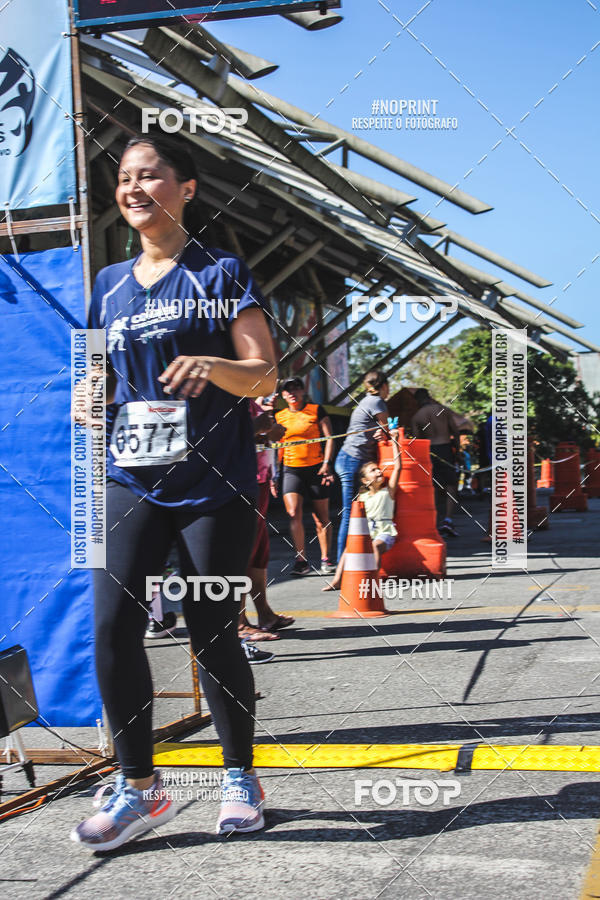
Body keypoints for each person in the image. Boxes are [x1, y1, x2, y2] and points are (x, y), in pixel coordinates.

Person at [71, 134, 278, 851]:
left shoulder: (219, 272)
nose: (134, 188)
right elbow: (93, 370)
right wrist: (87, 396)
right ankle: (138, 787)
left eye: (150, 176)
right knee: (110, 628)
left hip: (212, 486)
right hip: (131, 478)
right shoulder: (106, 284)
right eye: (125, 178)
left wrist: (212, 363)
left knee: (212, 633)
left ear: (186, 188)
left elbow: (264, 376)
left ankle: (241, 778)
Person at [238, 398, 295, 643]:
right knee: (241, 552)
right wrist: (265, 430)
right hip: (240, 481)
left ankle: (265, 614)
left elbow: (257, 439)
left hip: (259, 480)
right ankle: (239, 622)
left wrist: (266, 435)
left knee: (258, 551)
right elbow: (224, 436)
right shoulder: (233, 395)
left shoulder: (254, 401)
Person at [324, 430, 401, 589]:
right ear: (365, 480)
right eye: (373, 471)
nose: (379, 471)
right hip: (368, 532)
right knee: (349, 548)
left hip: (385, 532)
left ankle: (373, 580)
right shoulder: (362, 497)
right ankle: (337, 580)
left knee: (375, 546)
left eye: (378, 469)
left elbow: (398, 468)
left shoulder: (388, 491)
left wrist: (395, 442)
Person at [274, 377, 335, 576]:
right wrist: (274, 475)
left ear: (303, 390)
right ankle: (301, 561)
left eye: (296, 388)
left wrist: (326, 464)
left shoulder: (316, 410)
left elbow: (330, 438)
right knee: (294, 514)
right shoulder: (279, 416)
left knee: (321, 517)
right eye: (287, 390)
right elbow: (277, 447)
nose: (292, 392)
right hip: (291, 469)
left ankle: (326, 559)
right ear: (282, 395)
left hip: (316, 468)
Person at [334, 370, 390, 563]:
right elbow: (388, 430)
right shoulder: (377, 402)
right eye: (387, 386)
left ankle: (353, 559)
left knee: (355, 512)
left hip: (347, 458)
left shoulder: (365, 401)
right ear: (383, 386)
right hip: (353, 459)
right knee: (351, 513)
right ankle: (344, 565)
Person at [411, 388, 460, 536]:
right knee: (451, 485)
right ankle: (448, 520)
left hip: (430, 451)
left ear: (417, 401)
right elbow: (455, 432)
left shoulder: (417, 417)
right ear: (429, 397)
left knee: (433, 486)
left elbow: (416, 441)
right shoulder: (442, 410)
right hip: (445, 448)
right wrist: (457, 452)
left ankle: (435, 521)